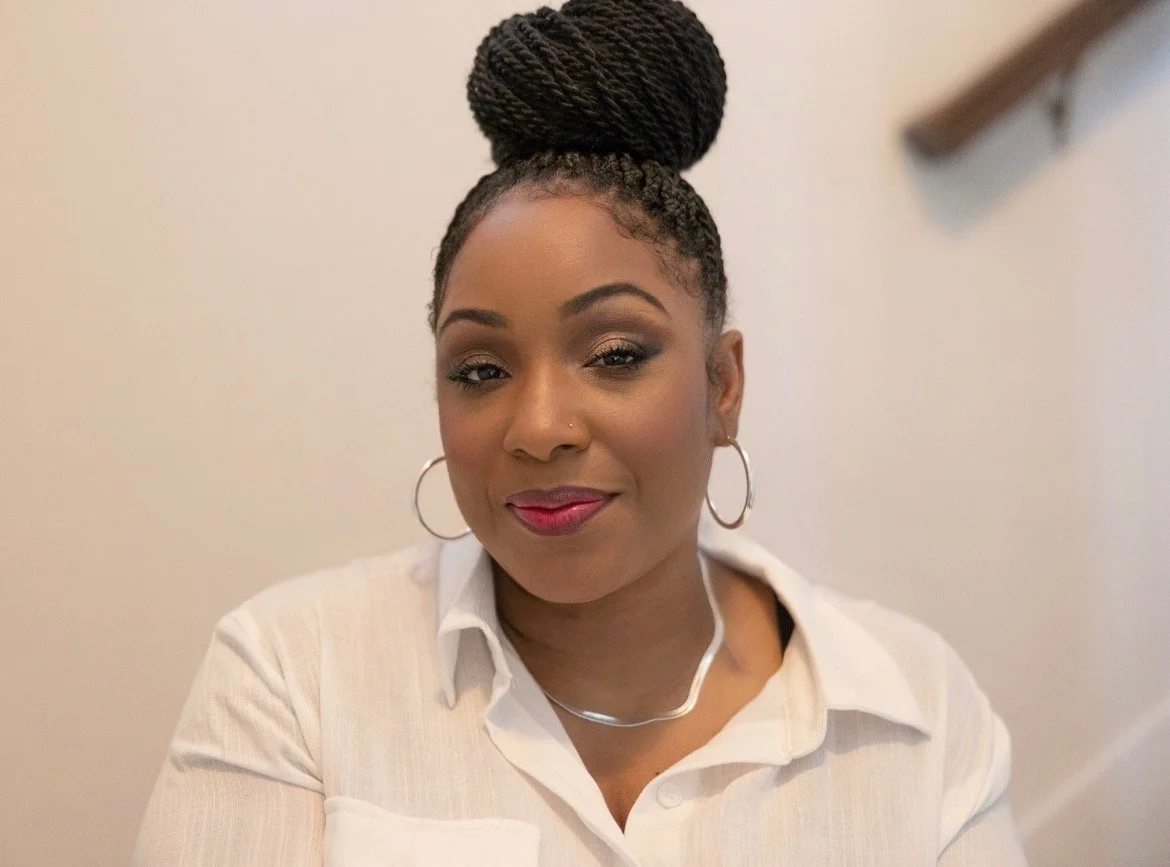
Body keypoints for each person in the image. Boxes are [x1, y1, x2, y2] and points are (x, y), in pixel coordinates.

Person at [135, 0, 1027, 863]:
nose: (540, 428)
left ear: (723, 385)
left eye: (613, 353)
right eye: (480, 370)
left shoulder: (912, 710)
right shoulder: (295, 676)